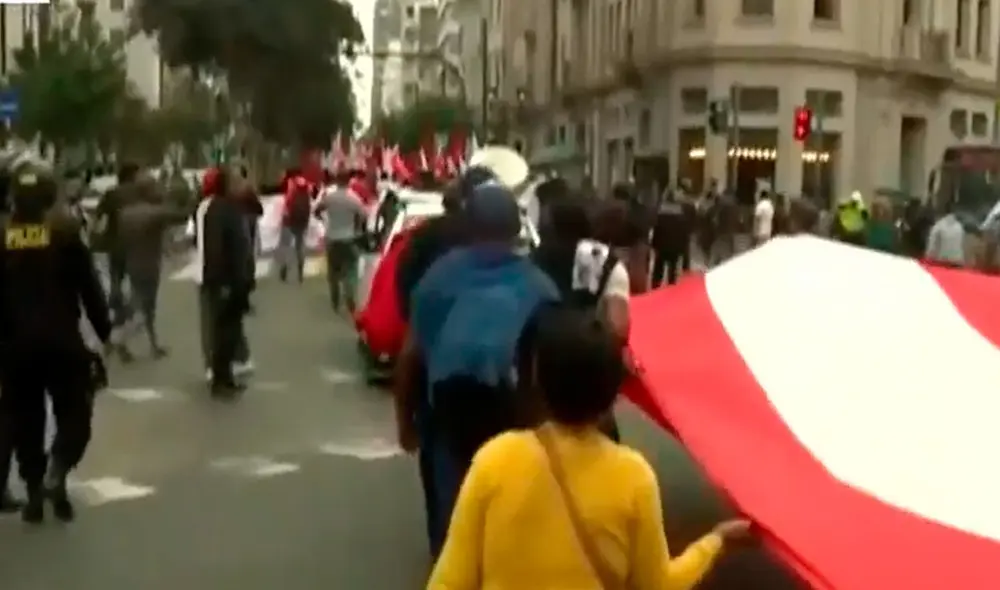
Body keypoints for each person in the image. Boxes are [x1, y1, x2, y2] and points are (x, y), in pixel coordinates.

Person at [428, 308, 749, 589]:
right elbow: (658, 584)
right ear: (613, 396)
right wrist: (716, 541)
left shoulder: (495, 459)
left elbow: (450, 580)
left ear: (538, 381)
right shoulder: (633, 477)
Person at [400, 181, 559, 560]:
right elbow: (551, 369)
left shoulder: (437, 279)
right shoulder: (539, 286)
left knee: (452, 519)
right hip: (517, 422)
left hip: (446, 418)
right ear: (516, 229)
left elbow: (410, 357)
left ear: (468, 225)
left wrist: (404, 422)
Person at [0, 158, 112, 523]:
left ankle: (34, 493)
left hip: (14, 348)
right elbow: (90, 288)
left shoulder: (3, 237)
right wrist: (105, 329)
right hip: (62, 343)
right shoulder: (64, 234)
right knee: (76, 413)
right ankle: (58, 469)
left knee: (25, 421)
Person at [193, 167, 253, 396]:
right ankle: (219, 380)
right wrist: (223, 281)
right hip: (225, 281)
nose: (242, 185)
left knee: (228, 332)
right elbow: (215, 248)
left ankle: (226, 378)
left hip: (234, 280)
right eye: (236, 182)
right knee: (221, 333)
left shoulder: (230, 207)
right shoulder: (217, 209)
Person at [117, 175, 187, 358]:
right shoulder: (155, 212)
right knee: (144, 306)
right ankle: (122, 340)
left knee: (140, 304)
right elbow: (181, 215)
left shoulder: (126, 212)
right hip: (149, 263)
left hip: (132, 261)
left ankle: (151, 344)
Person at [94, 162, 140, 362]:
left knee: (117, 281)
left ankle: (116, 305)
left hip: (115, 245)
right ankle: (120, 319)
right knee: (135, 290)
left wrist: (94, 235)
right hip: (132, 246)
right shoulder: (137, 193)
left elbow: (98, 216)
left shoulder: (111, 193)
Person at [315, 173, 367, 312]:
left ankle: (335, 299)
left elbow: (317, 210)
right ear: (349, 181)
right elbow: (363, 215)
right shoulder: (354, 198)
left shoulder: (330, 198)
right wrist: (356, 228)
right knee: (350, 269)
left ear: (337, 181)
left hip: (332, 238)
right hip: (349, 238)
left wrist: (324, 221)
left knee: (333, 270)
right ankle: (349, 295)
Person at [650, 187, 693, 286]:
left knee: (658, 268)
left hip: (662, 246)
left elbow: (657, 230)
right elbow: (683, 233)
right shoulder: (681, 214)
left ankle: (655, 287)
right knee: (672, 269)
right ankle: (670, 288)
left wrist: (654, 244)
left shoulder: (661, 213)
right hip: (675, 246)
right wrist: (682, 248)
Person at [278, 170, 313, 282]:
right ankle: (300, 272)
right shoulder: (307, 185)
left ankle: (284, 267)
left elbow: (288, 200)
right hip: (301, 219)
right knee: (300, 245)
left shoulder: (291, 183)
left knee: (286, 244)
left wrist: (285, 214)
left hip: (289, 219)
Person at [925, 203, 966, 268]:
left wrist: (928, 259)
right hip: (957, 264)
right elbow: (962, 246)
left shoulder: (938, 226)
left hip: (940, 263)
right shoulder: (960, 227)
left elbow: (931, 247)